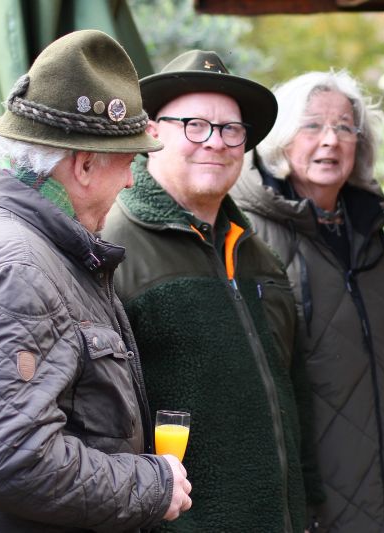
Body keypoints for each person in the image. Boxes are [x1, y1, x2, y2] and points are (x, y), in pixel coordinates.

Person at [0, 30, 192, 532]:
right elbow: (11, 459)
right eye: (127, 163)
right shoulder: (18, 266)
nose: (131, 180)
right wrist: (151, 484)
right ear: (84, 165)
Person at [101, 50, 313, 533]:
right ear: (152, 133)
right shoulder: (111, 248)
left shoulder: (259, 256)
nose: (215, 141)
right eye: (194, 125)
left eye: (231, 129)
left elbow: (293, 392)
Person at [230, 70, 384, 532]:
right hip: (306, 505)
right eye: (312, 125)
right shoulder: (246, 231)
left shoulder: (368, 229)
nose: (330, 140)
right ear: (281, 138)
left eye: (344, 127)